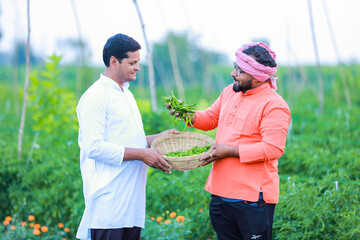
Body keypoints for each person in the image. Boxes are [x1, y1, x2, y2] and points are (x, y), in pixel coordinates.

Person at [167, 42, 291, 240]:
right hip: (220, 193)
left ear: (257, 76)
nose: (234, 73)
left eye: (240, 71)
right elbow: (209, 118)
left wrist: (229, 151)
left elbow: (272, 149)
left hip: (252, 198)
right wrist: (185, 114)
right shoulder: (229, 92)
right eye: (235, 66)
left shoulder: (274, 105)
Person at [76, 33, 177, 240]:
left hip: (131, 202)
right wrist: (142, 154)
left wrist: (159, 138)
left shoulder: (126, 93)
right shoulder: (95, 97)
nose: (137, 67)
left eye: (138, 62)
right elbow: (93, 147)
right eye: (132, 62)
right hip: (109, 202)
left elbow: (127, 139)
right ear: (114, 62)